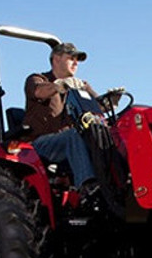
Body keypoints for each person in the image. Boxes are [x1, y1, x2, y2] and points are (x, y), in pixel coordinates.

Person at [25, 42, 101, 191]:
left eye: (77, 60)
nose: (75, 63)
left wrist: (111, 101)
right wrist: (58, 86)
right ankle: (88, 188)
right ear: (56, 59)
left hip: (68, 142)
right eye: (71, 58)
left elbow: (99, 105)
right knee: (72, 136)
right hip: (40, 144)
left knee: (101, 135)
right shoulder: (38, 79)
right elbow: (39, 91)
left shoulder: (80, 86)